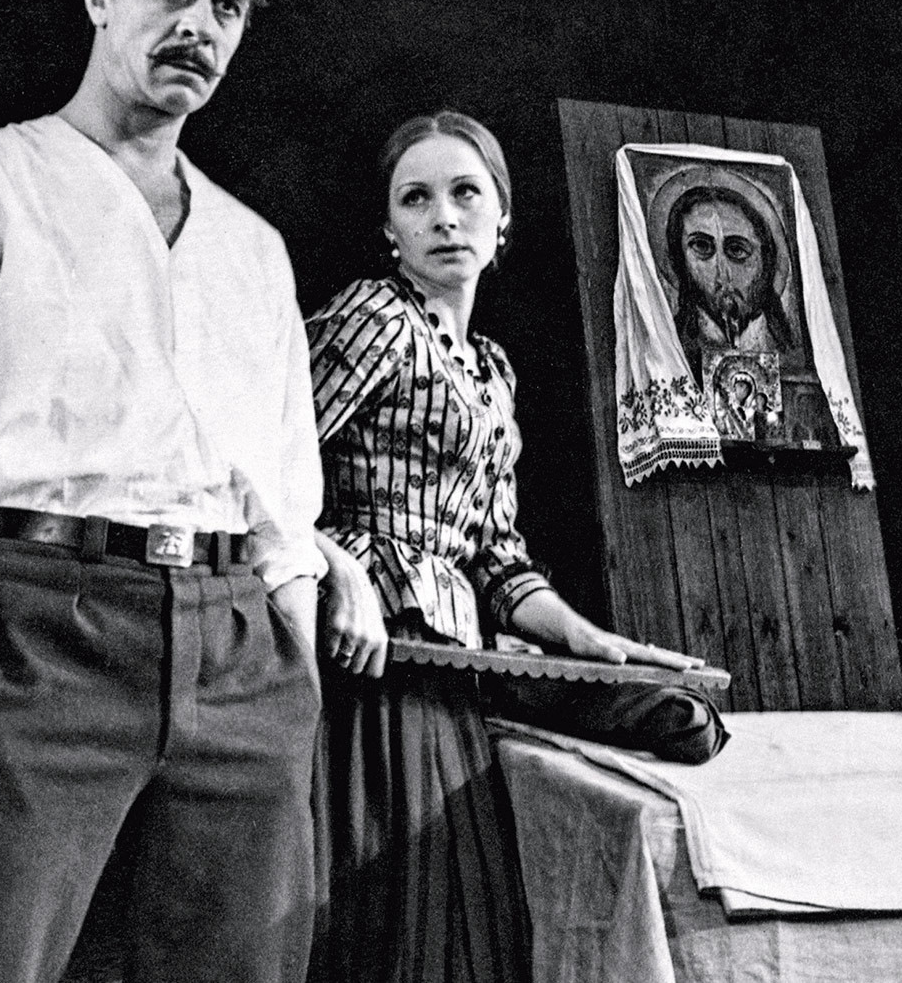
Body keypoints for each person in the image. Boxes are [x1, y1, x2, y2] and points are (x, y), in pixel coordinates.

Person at [0, 0, 325, 983]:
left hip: (238, 653)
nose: (200, 25)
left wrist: (293, 656)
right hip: (40, 632)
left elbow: (283, 483)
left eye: (228, 6)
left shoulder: (252, 246)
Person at [306, 111, 727, 983]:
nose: (443, 217)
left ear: (502, 218)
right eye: (416, 199)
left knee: (463, 928)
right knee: (384, 925)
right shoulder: (373, 318)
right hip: (364, 666)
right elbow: (258, 462)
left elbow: (497, 558)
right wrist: (336, 565)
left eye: (466, 193)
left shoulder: (491, 370)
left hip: (451, 670)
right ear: (389, 229)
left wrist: (591, 642)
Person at [666, 183, 795, 375]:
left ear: (766, 261)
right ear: (679, 259)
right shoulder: (669, 345)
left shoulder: (785, 347)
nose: (722, 275)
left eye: (737, 250)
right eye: (702, 247)